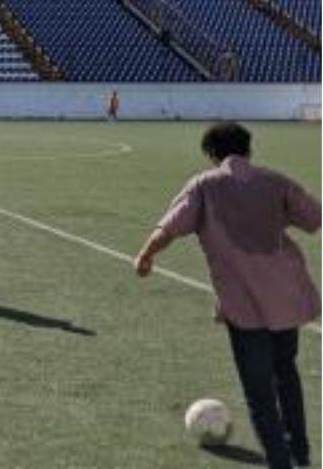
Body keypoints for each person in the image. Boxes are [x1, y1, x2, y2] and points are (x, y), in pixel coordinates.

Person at [134, 122, 320, 469]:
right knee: (286, 372)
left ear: (211, 155)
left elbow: (170, 226)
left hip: (245, 305)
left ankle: (280, 463)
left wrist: (146, 255)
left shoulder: (205, 185)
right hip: (286, 298)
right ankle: (300, 453)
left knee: (259, 391)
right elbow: (314, 217)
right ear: (249, 150)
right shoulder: (276, 181)